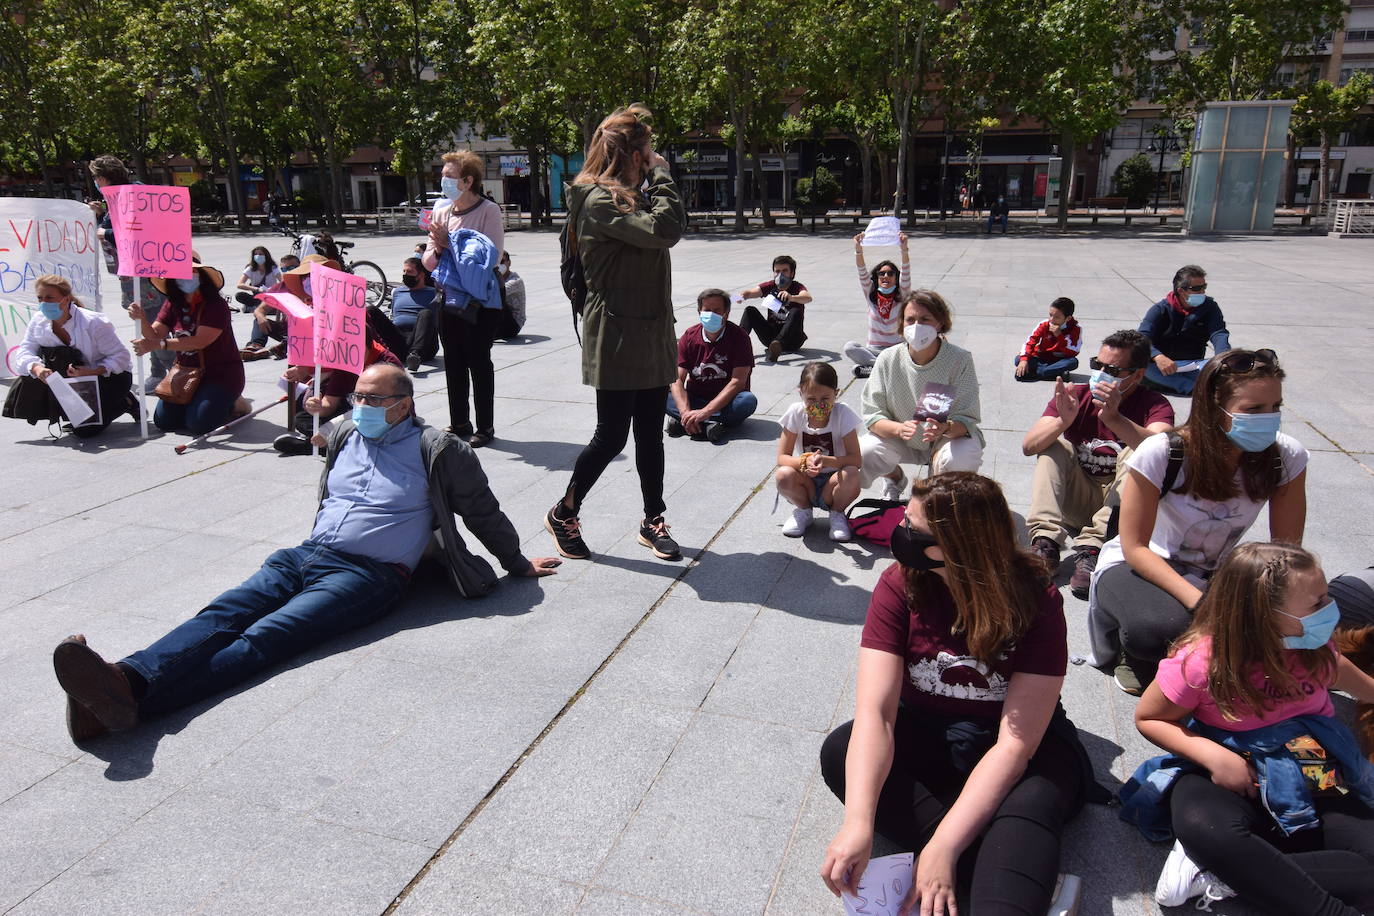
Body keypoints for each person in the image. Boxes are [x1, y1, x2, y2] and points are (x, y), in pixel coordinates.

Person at [51, 363, 561, 742]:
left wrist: (516, 565)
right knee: (224, 612)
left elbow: (482, 511)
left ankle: (130, 700)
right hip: (304, 555)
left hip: (369, 576)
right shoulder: (344, 431)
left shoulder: (439, 449)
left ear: (404, 403)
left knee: (266, 637)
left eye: (374, 399)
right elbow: (314, 438)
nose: (360, 405)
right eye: (358, 395)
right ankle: (128, 679)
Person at [820, 473, 1095, 916]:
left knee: (1028, 814)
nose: (899, 534)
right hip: (928, 733)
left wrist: (944, 845)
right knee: (841, 750)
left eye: (913, 528)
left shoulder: (1034, 596)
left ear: (959, 545)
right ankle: (1026, 875)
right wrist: (857, 823)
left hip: (1021, 752)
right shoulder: (901, 583)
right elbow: (878, 715)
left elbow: (1015, 744)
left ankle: (993, 863)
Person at [1130, 542, 1374, 915]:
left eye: (1326, 597)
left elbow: (1367, 689)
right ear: (1260, 615)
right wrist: (1214, 757)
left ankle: (1226, 878)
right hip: (1229, 763)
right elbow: (1150, 717)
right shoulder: (1201, 662)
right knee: (1205, 827)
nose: (1330, 611)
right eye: (1316, 604)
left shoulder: (1318, 650)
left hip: (1311, 764)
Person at [1087, 349, 1308, 694]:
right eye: (1253, 410)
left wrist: (1278, 605)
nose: (1269, 418)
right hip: (1139, 566)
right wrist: (1202, 604)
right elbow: (1134, 548)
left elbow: (1286, 550)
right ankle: (1129, 650)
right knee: (1161, 630)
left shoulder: (1286, 457)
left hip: (1216, 572)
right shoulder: (1164, 452)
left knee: (1297, 619)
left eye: (1275, 407)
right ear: (1213, 409)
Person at [544, 104, 685, 563]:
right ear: (632, 153)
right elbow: (666, 229)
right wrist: (663, 176)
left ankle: (653, 518)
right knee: (611, 437)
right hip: (618, 333)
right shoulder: (598, 199)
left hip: (650, 328)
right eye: (648, 151)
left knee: (651, 433)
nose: (653, 158)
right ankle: (564, 512)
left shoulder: (624, 194)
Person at [1023, 330, 1175, 598]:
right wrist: (1062, 422)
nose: (1101, 373)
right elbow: (1029, 446)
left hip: (1119, 511)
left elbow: (1162, 450)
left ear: (1137, 375)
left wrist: (1114, 418)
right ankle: (1045, 543)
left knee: (1141, 453)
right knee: (1054, 446)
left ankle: (1092, 548)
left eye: (1112, 369)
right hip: (1078, 498)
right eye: (1097, 365)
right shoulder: (1076, 396)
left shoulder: (1155, 404)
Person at [858, 290, 984, 501]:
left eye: (925, 319)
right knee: (863, 452)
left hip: (943, 439)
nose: (917, 326)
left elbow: (967, 418)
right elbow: (872, 415)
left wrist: (946, 428)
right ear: (901, 323)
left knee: (962, 456)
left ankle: (940, 492)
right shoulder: (887, 359)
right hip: (900, 437)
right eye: (910, 319)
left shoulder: (959, 360)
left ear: (940, 323)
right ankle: (894, 478)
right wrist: (899, 428)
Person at [271, 255, 402, 456]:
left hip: (382, 416)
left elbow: (381, 411)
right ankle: (332, 443)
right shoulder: (344, 360)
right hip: (338, 394)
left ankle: (322, 444)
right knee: (305, 418)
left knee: (367, 422)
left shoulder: (385, 364)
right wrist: (316, 406)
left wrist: (330, 428)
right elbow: (328, 405)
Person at [422, 149, 506, 448]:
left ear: (468, 181)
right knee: (454, 361)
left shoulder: (488, 211)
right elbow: (428, 262)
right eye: (442, 176)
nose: (443, 181)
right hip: (447, 298)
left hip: (480, 300)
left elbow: (492, 259)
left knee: (479, 361)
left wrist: (450, 245)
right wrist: (439, 248)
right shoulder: (441, 211)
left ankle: (485, 426)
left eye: (449, 176)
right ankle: (459, 421)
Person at [130, 253, 246, 436]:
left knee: (199, 425)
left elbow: (199, 342)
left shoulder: (216, 305)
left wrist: (157, 345)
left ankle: (233, 402)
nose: (184, 278)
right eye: (178, 274)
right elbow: (153, 334)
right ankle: (202, 402)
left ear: (202, 275)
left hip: (220, 374)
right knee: (164, 422)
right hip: (186, 373)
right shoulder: (172, 303)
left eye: (191, 272)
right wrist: (141, 319)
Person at [8, 274, 134, 437]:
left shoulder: (93, 322)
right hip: (71, 379)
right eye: (40, 298)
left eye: (50, 298)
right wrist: (37, 368)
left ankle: (126, 401)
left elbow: (122, 357)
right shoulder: (38, 320)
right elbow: (24, 351)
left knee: (85, 431)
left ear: (66, 299)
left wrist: (92, 371)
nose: (44, 303)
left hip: (108, 378)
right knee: (29, 374)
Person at [88, 155, 174, 393]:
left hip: (146, 276)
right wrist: (102, 214)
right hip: (135, 275)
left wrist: (104, 233)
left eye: (96, 178)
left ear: (103, 178)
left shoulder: (131, 195)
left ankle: (175, 372)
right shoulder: (124, 196)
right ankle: (159, 373)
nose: (95, 182)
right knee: (146, 322)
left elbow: (136, 231)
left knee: (153, 322)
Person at [775, 362, 861, 541]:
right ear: (801, 394)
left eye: (825, 399)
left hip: (833, 481)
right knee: (783, 475)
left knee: (851, 473)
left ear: (836, 394)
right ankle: (804, 511)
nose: (818, 405)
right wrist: (803, 462)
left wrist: (826, 460)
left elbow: (856, 460)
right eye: (811, 399)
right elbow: (782, 457)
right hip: (807, 481)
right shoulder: (795, 413)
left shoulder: (843, 414)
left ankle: (837, 513)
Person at [666, 288, 757, 443]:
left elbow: (737, 382)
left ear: (726, 313)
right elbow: (677, 379)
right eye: (707, 310)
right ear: (699, 312)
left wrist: (705, 412)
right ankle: (706, 424)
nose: (711, 314)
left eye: (717, 310)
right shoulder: (689, 336)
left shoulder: (739, 337)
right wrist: (685, 411)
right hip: (695, 398)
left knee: (747, 401)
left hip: (727, 401)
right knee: (657, 392)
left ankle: (689, 423)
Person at [1139, 264, 1232, 396]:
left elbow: (1218, 333)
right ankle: (1194, 389)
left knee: (1224, 369)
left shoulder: (1210, 307)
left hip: (1193, 364)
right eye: (1196, 288)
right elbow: (1142, 337)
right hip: (1162, 365)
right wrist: (1158, 356)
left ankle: (1199, 385)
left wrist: (1223, 356)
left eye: (1204, 287)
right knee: (1143, 368)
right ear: (1181, 291)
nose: (1202, 292)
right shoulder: (1160, 309)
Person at [842, 232, 911, 378]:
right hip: (874, 350)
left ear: (896, 278)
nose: (886, 276)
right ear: (877, 277)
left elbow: (906, 272)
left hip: (896, 350)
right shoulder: (871, 294)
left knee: (909, 354)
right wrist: (858, 249)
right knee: (850, 347)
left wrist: (904, 249)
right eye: (882, 273)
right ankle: (883, 368)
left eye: (890, 274)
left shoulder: (902, 295)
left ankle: (875, 369)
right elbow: (861, 271)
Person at [737, 255, 813, 362]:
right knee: (750, 310)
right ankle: (737, 344)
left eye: (785, 271)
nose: (780, 274)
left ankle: (778, 344)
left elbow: (808, 298)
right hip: (770, 337)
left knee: (796, 311)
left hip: (792, 340)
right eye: (777, 271)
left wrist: (792, 297)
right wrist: (739, 296)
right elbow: (751, 292)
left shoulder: (797, 287)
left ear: (792, 273)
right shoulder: (770, 286)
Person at [241, 253, 299, 361]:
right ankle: (256, 346)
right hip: (285, 329)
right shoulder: (281, 287)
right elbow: (260, 309)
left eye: (292, 268)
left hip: (304, 330)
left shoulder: (308, 286)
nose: (288, 271)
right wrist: (260, 317)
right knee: (258, 320)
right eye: (284, 269)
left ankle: (283, 347)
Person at [1013, 297, 1082, 382]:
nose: (1051, 320)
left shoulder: (1075, 329)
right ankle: (1053, 374)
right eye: (1050, 315)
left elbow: (1073, 351)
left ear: (1068, 318)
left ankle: (1037, 373)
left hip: (1058, 361)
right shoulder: (1044, 324)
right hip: (1040, 358)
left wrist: (1059, 336)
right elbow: (1030, 342)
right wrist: (1024, 360)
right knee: (1018, 360)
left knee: (1073, 362)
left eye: (1057, 317)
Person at [391, 257, 439, 372]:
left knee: (425, 313)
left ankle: (415, 355)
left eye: (410, 272)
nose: (405, 275)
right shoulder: (397, 292)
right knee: (371, 310)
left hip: (424, 343)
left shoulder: (434, 293)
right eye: (404, 272)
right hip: (400, 340)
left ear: (421, 275)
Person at [234, 246, 282, 313]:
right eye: (256, 254)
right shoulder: (250, 269)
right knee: (239, 295)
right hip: (258, 295)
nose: (258, 256)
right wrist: (256, 289)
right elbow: (240, 284)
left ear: (266, 256)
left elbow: (282, 281)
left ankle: (254, 308)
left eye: (261, 254)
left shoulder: (273, 268)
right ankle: (260, 308)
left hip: (271, 295)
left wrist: (272, 289)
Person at [496, 250, 526, 341]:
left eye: (502, 262)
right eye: (497, 263)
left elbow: (496, 293)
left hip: (513, 324)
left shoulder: (515, 281)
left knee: (496, 299)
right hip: (501, 320)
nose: (500, 266)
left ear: (509, 263)